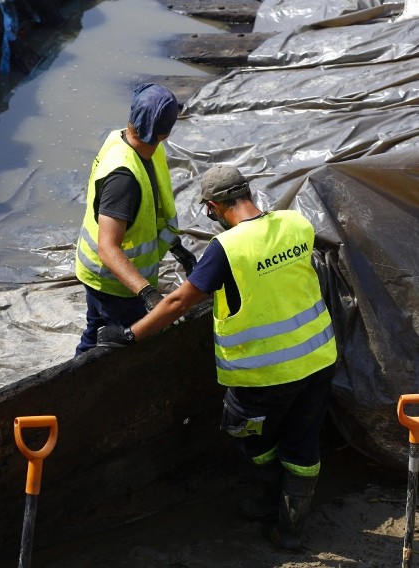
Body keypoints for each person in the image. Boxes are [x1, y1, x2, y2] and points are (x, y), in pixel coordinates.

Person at [97, 165, 337, 551]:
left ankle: (268, 501)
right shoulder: (297, 224)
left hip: (262, 377)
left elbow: (177, 302)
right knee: (303, 447)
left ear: (212, 207)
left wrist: (130, 334)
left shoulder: (226, 249)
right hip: (318, 361)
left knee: (251, 440)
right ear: (249, 192)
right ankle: (290, 530)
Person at [74, 82, 197, 356]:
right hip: (115, 284)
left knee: (94, 336)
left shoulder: (130, 142)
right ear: (166, 132)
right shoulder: (124, 178)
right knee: (123, 346)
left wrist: (176, 248)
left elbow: (151, 214)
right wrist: (147, 294)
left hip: (103, 277)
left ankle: (70, 384)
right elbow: (108, 247)